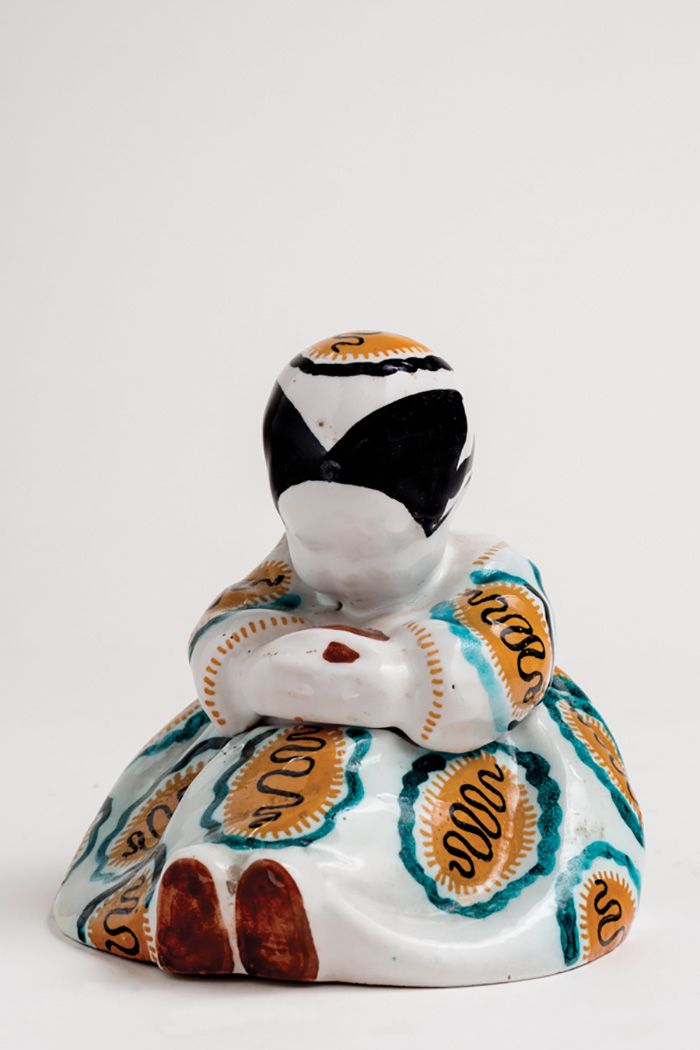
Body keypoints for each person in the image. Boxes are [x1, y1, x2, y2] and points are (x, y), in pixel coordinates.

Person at [54, 332, 644, 986]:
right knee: (218, 806)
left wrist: (400, 684)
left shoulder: (486, 569)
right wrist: (250, 676)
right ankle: (202, 888)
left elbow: (507, 655)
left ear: (442, 503)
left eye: (371, 545)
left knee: (379, 822)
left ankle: (312, 905)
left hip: (443, 760)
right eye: (312, 542)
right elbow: (227, 624)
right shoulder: (286, 572)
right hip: (277, 747)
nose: (340, 572)